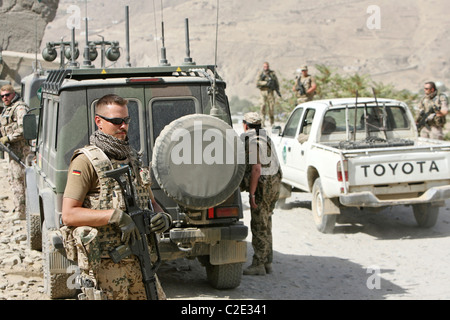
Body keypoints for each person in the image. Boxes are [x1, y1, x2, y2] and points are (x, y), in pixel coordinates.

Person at [61, 94, 172, 300]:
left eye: (126, 121)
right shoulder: (86, 162)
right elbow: (68, 215)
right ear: (99, 122)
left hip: (141, 261)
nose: (123, 126)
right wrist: (114, 216)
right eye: (116, 121)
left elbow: (152, 202)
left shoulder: (132, 157)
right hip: (106, 267)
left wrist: (162, 217)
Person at [240, 112, 282, 275]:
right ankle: (267, 262)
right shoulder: (266, 138)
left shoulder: (251, 141)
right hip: (275, 185)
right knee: (267, 221)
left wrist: (251, 195)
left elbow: (256, 169)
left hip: (263, 187)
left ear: (245, 125)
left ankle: (258, 264)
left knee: (259, 224)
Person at [0, 84, 31, 221]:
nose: (5, 98)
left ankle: (21, 212)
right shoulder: (8, 109)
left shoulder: (19, 108)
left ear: (13, 94)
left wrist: (8, 138)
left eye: (7, 95)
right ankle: (18, 208)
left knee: (19, 180)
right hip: (12, 149)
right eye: (2, 96)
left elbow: (23, 129)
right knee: (14, 179)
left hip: (21, 150)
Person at [256, 62, 281, 127]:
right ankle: (262, 122)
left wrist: (277, 90)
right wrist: (266, 83)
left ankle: (272, 123)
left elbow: (276, 82)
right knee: (263, 106)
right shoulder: (261, 73)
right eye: (265, 66)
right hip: (263, 92)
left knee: (271, 107)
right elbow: (257, 82)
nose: (266, 68)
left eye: (267, 66)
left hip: (270, 92)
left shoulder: (272, 74)